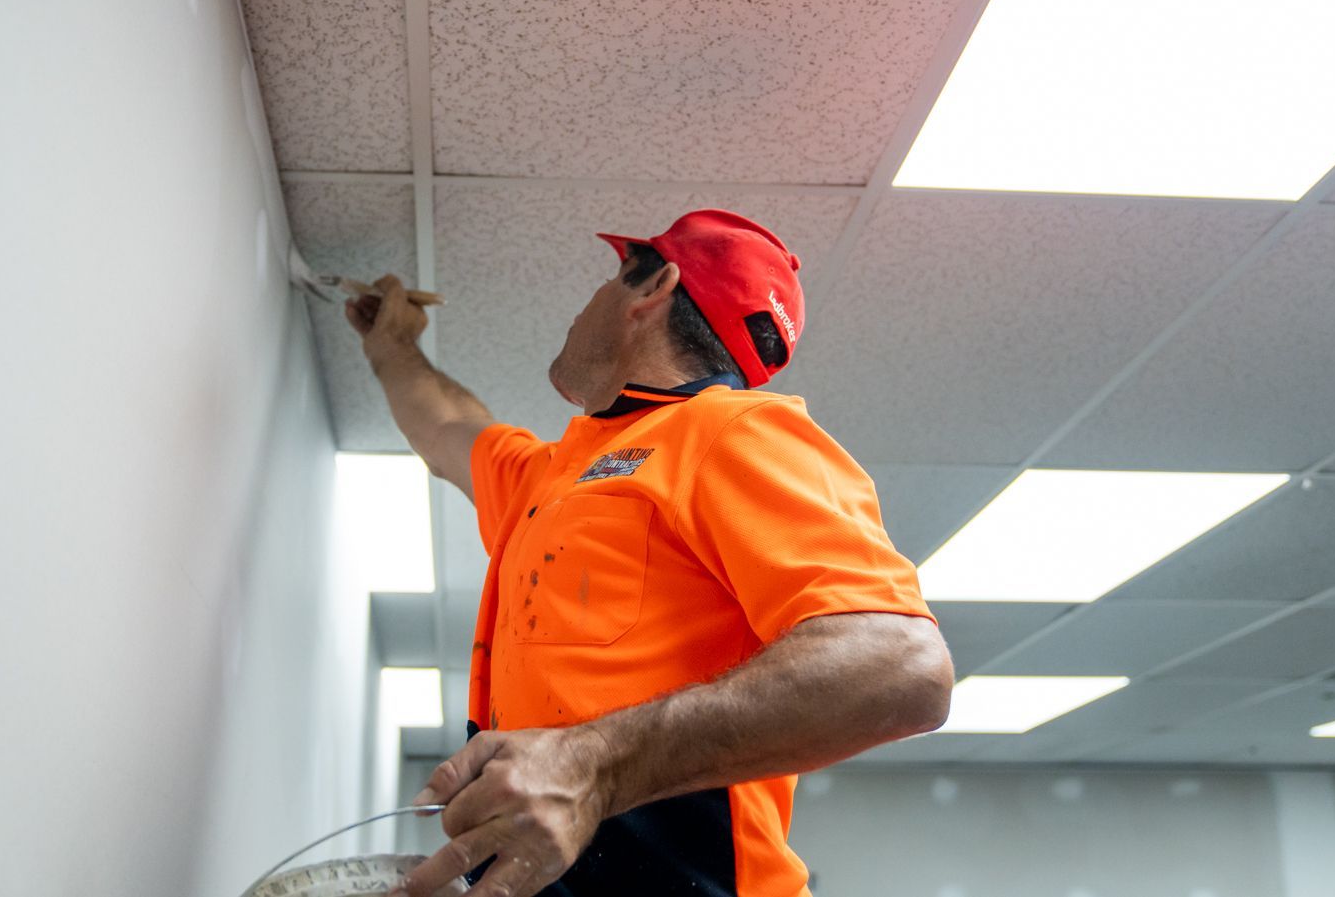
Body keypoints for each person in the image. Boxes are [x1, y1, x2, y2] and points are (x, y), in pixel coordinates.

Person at [345, 208, 952, 897]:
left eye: (612, 277)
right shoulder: (552, 480)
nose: (592, 299)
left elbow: (903, 666)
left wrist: (596, 764)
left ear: (653, 285)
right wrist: (392, 343)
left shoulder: (732, 431)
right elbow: (450, 424)